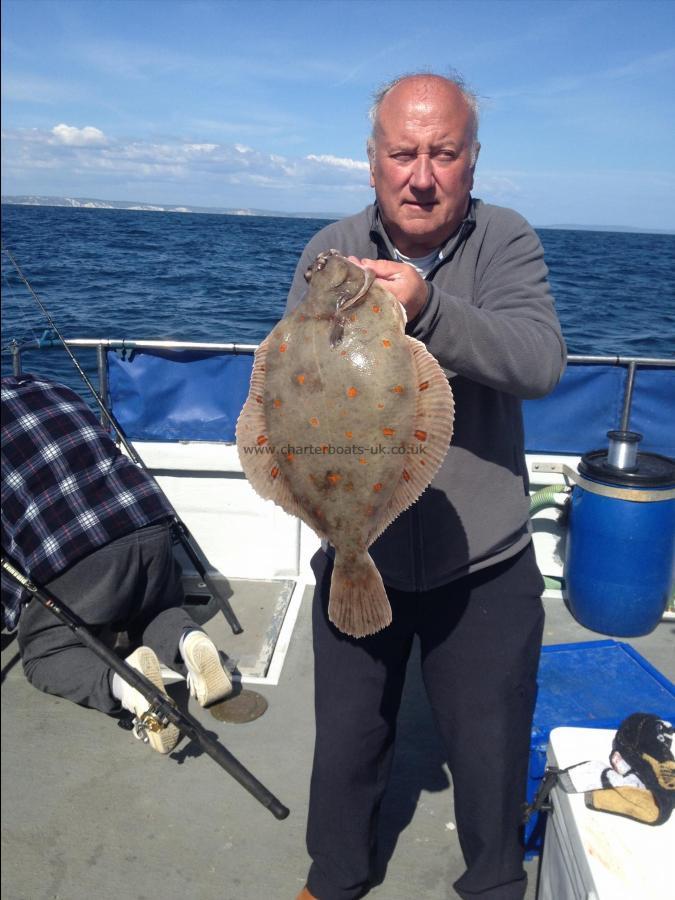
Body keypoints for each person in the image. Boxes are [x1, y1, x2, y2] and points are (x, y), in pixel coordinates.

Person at [287, 73, 566, 900]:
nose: (421, 174)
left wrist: (427, 308)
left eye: (442, 153)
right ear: (371, 161)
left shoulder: (506, 240)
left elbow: (537, 361)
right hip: (356, 545)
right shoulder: (327, 252)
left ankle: (491, 887)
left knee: (487, 754)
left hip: (480, 563)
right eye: (401, 153)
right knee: (343, 745)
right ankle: (332, 880)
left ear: (471, 162)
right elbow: (293, 389)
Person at [1, 374, 233, 754]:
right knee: (150, 611)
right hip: (147, 521)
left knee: (44, 654)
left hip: (78, 551)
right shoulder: (48, 385)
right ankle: (191, 641)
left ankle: (126, 684)